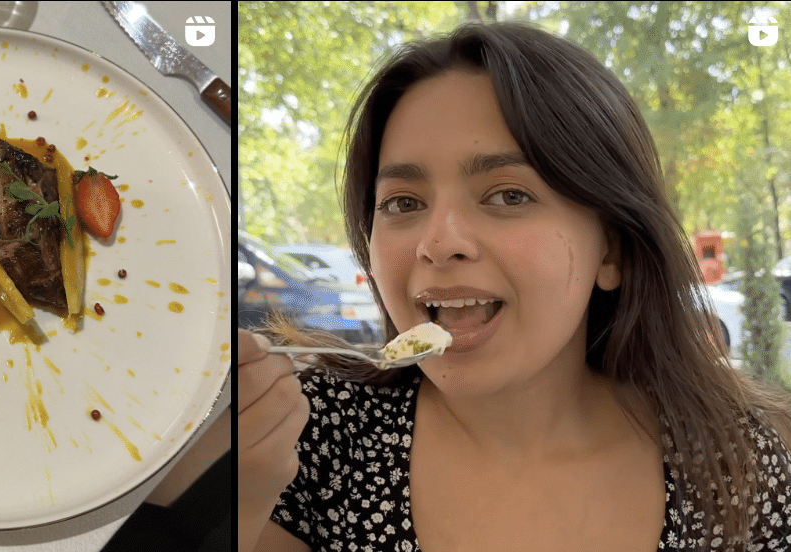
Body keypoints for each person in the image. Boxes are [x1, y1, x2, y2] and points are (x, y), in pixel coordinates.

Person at [239, 21, 791, 552]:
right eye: (403, 203)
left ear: (613, 248)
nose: (439, 242)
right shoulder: (301, 440)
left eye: (508, 195)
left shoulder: (738, 469)